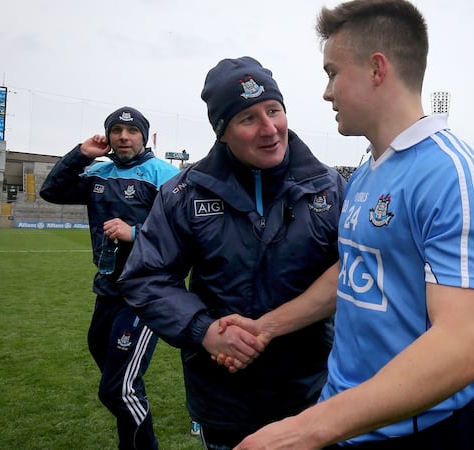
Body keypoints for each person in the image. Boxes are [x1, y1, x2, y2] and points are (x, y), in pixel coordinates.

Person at [229, 1, 474, 448]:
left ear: (377, 69)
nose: (326, 93)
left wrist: (305, 429)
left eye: (332, 73)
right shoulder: (366, 172)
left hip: (417, 433)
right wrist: (267, 326)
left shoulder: (452, 176)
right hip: (347, 418)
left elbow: (461, 348)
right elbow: (354, 270)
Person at [118, 56, 346, 450]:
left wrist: (270, 327)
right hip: (224, 400)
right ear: (222, 132)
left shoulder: (329, 187)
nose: (269, 128)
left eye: (273, 110)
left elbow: (357, 269)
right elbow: (145, 276)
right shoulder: (184, 193)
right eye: (248, 118)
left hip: (313, 393)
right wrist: (204, 330)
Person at [40, 106, 179, 450]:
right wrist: (81, 154)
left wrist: (135, 233)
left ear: (143, 136)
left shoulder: (164, 174)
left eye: (132, 131)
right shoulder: (98, 173)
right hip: (107, 288)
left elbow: (184, 230)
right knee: (116, 376)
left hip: (147, 290)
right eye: (116, 131)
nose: (123, 137)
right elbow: (51, 191)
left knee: (119, 389)